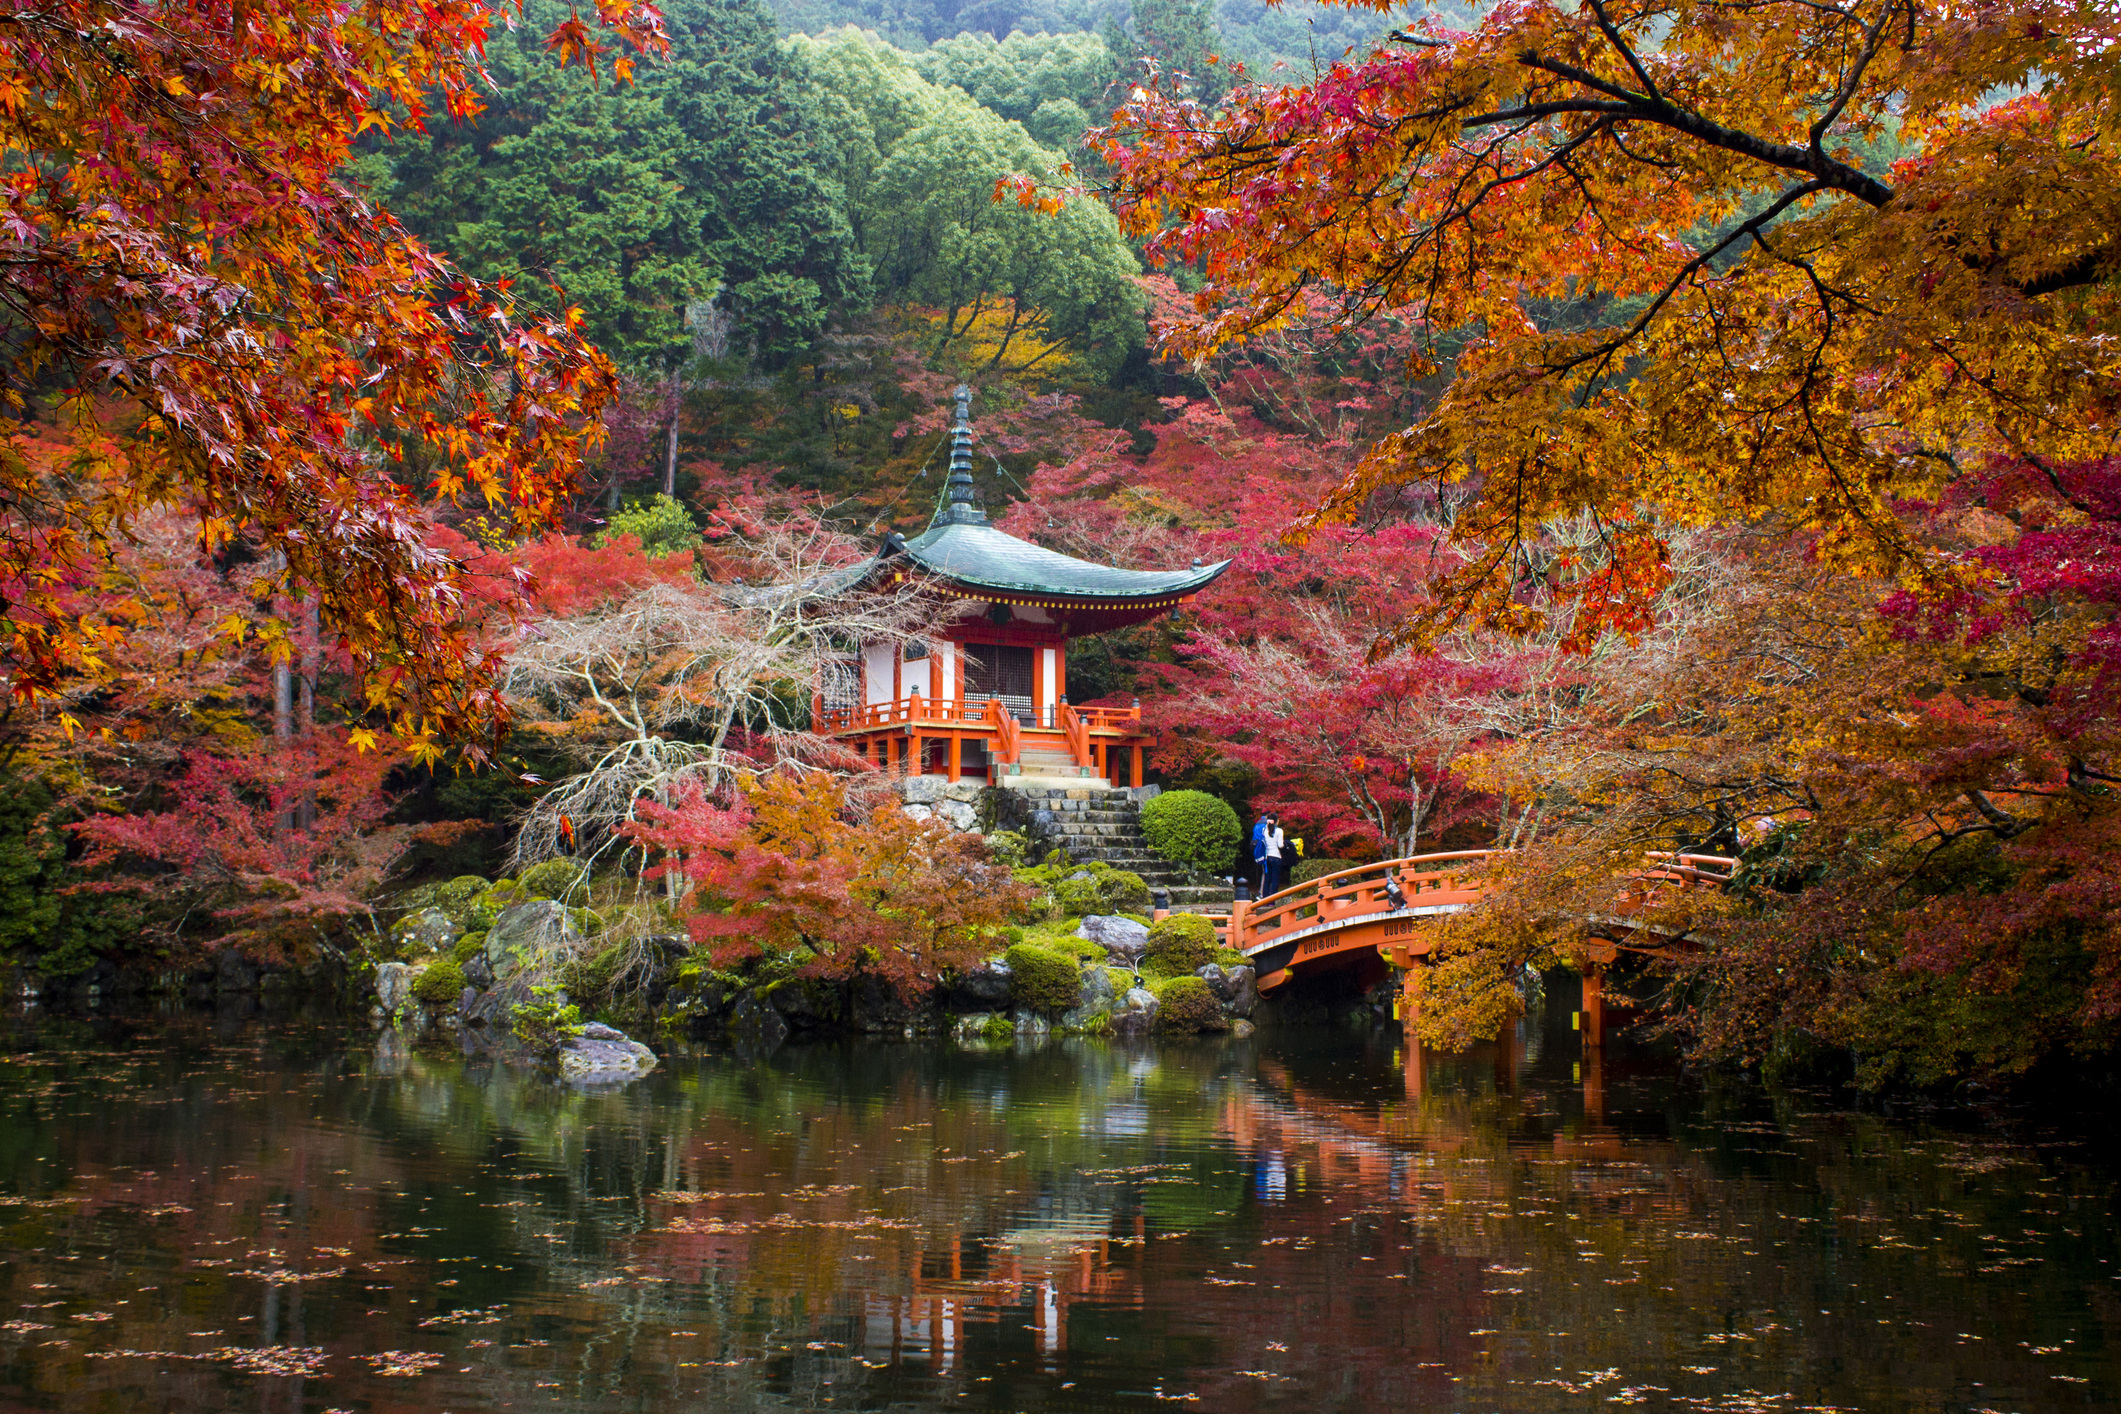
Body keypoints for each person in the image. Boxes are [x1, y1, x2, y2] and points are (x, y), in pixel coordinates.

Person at [1262, 815, 1288, 897]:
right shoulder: (1279, 831)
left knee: (1267, 879)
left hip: (1267, 857)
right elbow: (1280, 845)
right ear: (1276, 821)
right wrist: (1286, 845)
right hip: (1276, 856)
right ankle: (1273, 900)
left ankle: (1265, 898)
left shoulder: (1264, 830)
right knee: (1275, 879)